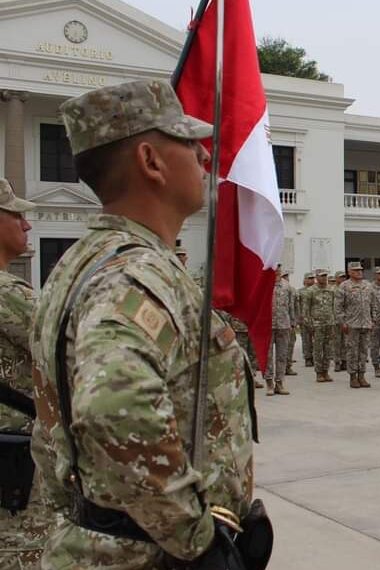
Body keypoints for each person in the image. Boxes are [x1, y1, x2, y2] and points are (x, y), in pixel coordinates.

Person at [32, 79, 256, 567]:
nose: (204, 155)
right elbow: (113, 406)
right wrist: (196, 539)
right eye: (188, 143)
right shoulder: (136, 273)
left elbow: (51, 429)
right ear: (151, 161)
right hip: (145, 555)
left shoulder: (80, 263)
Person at [0, 179, 53, 569]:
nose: (27, 223)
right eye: (15, 214)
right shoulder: (9, 294)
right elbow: (75, 350)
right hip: (14, 476)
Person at [339, 261, 373, 388]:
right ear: (349, 272)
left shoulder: (367, 285)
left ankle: (362, 375)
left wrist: (372, 319)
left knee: (363, 351)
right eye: (356, 270)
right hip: (352, 323)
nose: (359, 272)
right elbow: (338, 306)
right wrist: (342, 322)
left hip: (366, 323)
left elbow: (372, 304)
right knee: (352, 351)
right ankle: (353, 376)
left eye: (360, 270)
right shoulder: (344, 286)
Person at [268, 265, 295, 395]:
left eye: (279, 267)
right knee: (268, 356)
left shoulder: (286, 286)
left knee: (282, 355)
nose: (277, 269)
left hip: (283, 324)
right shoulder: (264, 283)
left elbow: (291, 305)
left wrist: (293, 322)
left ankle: (279, 383)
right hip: (267, 325)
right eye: (275, 267)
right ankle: (269, 383)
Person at [308, 269, 338, 382]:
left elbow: (335, 306)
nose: (324, 278)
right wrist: (309, 324)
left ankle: (326, 371)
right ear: (316, 277)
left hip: (330, 323)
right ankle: (318, 372)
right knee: (318, 349)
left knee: (328, 349)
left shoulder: (331, 290)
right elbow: (306, 309)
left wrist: (335, 321)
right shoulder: (311, 291)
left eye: (325, 276)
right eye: (321, 276)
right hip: (317, 324)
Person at [299, 271, 315, 367]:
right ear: (305, 280)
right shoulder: (300, 292)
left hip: (316, 318)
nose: (311, 280)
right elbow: (297, 305)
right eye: (309, 278)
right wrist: (298, 318)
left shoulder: (316, 290)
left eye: (312, 278)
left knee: (317, 340)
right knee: (306, 340)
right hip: (304, 319)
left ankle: (316, 357)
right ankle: (308, 358)